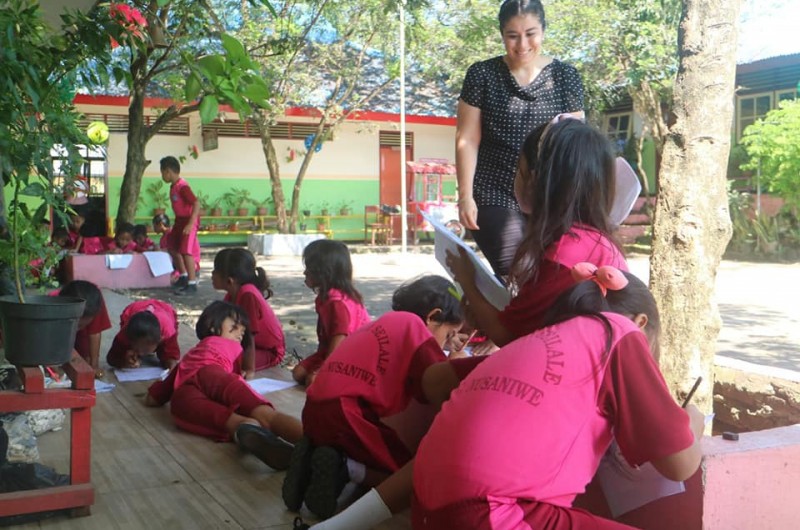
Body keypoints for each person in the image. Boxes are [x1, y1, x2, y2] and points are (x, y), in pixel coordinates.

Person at [304, 266, 705, 530]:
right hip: (492, 517)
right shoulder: (619, 333)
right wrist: (693, 417)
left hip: (429, 513)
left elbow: (433, 383)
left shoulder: (530, 343)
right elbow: (680, 466)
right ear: (639, 324)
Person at [282, 275, 465, 520]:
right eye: (449, 334)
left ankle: (312, 456)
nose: (446, 343)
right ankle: (346, 469)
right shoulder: (416, 330)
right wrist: (454, 363)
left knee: (366, 448)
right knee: (405, 475)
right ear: (433, 316)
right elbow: (433, 384)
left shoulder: (384, 322)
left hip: (315, 408)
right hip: (347, 413)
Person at [448, 118, 627, 355]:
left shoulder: (564, 253)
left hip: (566, 377)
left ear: (536, 180)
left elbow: (507, 334)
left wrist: (467, 280)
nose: (515, 178)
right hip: (578, 366)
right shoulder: (593, 240)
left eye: (518, 170)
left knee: (435, 378)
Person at [456, 0, 585, 277]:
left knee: (554, 273)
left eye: (531, 33)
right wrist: (465, 196)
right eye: (512, 36)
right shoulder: (482, 74)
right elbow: (467, 139)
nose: (522, 44)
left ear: (543, 31)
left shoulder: (565, 76)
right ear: (502, 34)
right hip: (494, 190)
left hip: (548, 195)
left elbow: (576, 147)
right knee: (517, 269)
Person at [145, 301, 302, 470]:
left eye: (242, 333)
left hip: (185, 395)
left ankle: (246, 427)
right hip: (215, 374)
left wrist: (154, 392)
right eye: (235, 327)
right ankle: (319, 445)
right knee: (267, 415)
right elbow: (232, 386)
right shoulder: (234, 350)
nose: (240, 335)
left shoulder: (191, 355)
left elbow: (153, 399)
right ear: (212, 326)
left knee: (230, 421)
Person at [291, 240, 370, 386]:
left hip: (351, 356)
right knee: (298, 373)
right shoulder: (325, 298)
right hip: (331, 352)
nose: (304, 272)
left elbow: (339, 339)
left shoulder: (337, 302)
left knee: (313, 381)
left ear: (323, 272)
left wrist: (324, 369)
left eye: (309, 268)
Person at [212, 247, 285, 375]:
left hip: (267, 351)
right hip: (247, 346)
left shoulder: (247, 294)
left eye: (215, 271)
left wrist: (248, 369)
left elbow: (249, 335)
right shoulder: (232, 293)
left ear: (230, 280)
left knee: (222, 363)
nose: (212, 274)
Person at [160, 156, 200, 295]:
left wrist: (190, 223)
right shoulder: (174, 186)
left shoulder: (183, 186)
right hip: (179, 220)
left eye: (162, 172)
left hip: (189, 221)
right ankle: (183, 276)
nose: (162, 176)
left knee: (185, 251)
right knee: (172, 247)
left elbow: (196, 203)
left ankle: (192, 283)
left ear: (168, 171)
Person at [54, 280, 111, 379]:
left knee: (84, 361)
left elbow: (95, 333)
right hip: (59, 332)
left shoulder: (94, 303)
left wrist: (94, 366)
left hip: (82, 338)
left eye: (80, 326)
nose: (76, 329)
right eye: (77, 325)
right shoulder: (54, 305)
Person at [106, 299, 181, 370]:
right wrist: (124, 360)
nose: (141, 354)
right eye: (136, 349)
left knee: (166, 356)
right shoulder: (126, 331)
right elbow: (111, 359)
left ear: (160, 340)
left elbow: (172, 361)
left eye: (145, 350)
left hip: (165, 310)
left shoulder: (168, 333)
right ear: (130, 339)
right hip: (135, 308)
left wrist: (170, 365)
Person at [153, 212, 200, 280]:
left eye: (154, 225)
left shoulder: (175, 235)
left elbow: (178, 254)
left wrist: (176, 274)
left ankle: (184, 276)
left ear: (161, 225)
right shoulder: (164, 238)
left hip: (191, 267)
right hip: (177, 266)